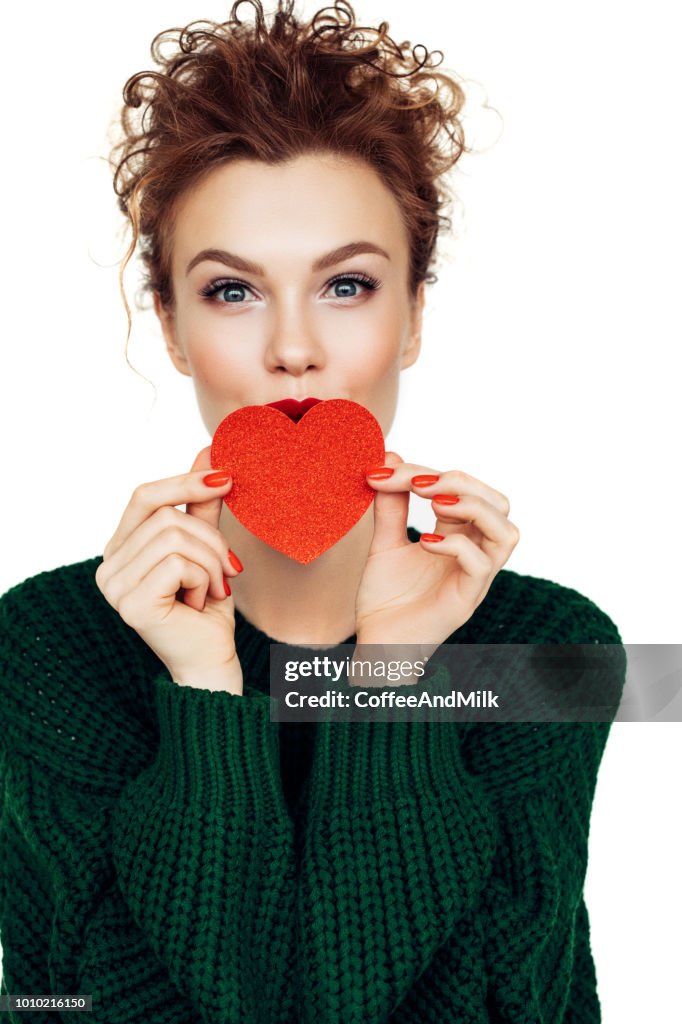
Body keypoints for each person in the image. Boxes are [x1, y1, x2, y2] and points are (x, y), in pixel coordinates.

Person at [0, 2, 625, 1021]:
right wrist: (202, 685)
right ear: (169, 325)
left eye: (345, 284)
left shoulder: (549, 651)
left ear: (412, 313)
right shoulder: (47, 646)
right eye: (232, 293)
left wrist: (393, 672)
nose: (294, 347)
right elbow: (57, 1006)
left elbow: (514, 1006)